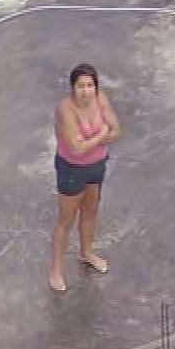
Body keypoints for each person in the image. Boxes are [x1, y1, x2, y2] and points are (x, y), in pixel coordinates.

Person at [49, 63, 120, 292]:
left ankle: (86, 252)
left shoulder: (101, 99)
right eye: (81, 86)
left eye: (90, 86)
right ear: (72, 88)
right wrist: (101, 134)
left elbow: (116, 129)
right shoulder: (66, 109)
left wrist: (93, 140)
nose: (86, 91)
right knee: (66, 220)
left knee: (90, 211)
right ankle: (56, 269)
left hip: (97, 165)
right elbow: (76, 149)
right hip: (72, 169)